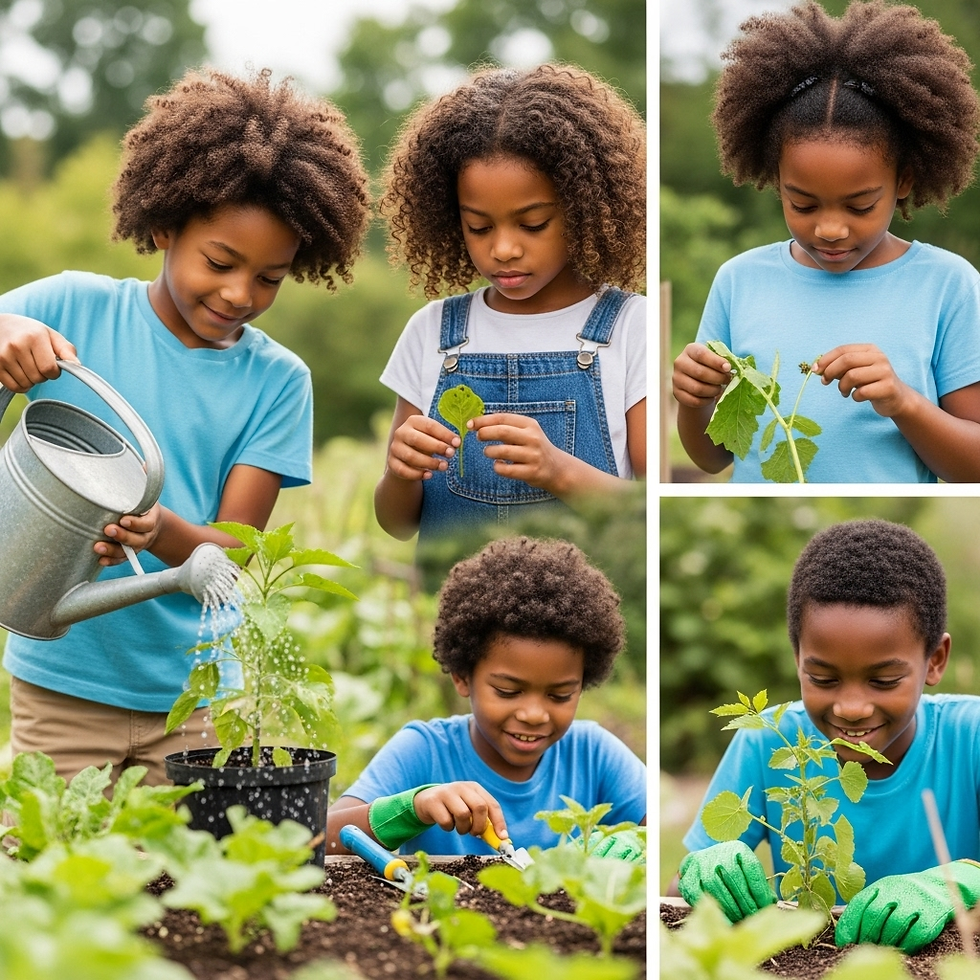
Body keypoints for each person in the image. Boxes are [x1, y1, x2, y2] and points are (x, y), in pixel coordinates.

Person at [0, 68, 370, 785]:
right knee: (53, 871)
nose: (240, 294)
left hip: (198, 698)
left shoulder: (279, 381)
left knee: (182, 891)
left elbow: (234, 551)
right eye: (220, 262)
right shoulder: (73, 307)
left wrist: (155, 524)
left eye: (270, 277)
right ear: (165, 224)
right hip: (62, 681)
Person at [671, 0, 980, 483]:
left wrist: (903, 402)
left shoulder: (948, 285)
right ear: (776, 181)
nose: (830, 229)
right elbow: (713, 457)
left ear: (904, 181)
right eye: (803, 204)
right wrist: (694, 400)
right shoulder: (739, 280)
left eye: (859, 206)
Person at [676, 519, 980, 954]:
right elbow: (672, 903)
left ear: (935, 660)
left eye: (884, 680)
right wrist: (702, 872)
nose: (850, 708)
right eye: (823, 677)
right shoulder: (769, 739)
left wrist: (962, 881)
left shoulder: (970, 736)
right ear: (797, 658)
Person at [372, 64, 647, 541]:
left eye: (533, 223)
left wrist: (558, 471)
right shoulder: (432, 331)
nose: (503, 249)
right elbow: (397, 524)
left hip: (591, 611)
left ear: (584, 207)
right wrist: (400, 472)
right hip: (461, 611)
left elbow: (650, 513)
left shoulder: (631, 325)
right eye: (479, 226)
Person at [326, 536, 646, 860]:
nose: (534, 714)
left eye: (560, 695)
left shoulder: (595, 754)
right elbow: (320, 839)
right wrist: (411, 809)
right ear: (463, 676)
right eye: (508, 691)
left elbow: (665, 850)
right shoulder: (424, 751)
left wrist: (641, 844)